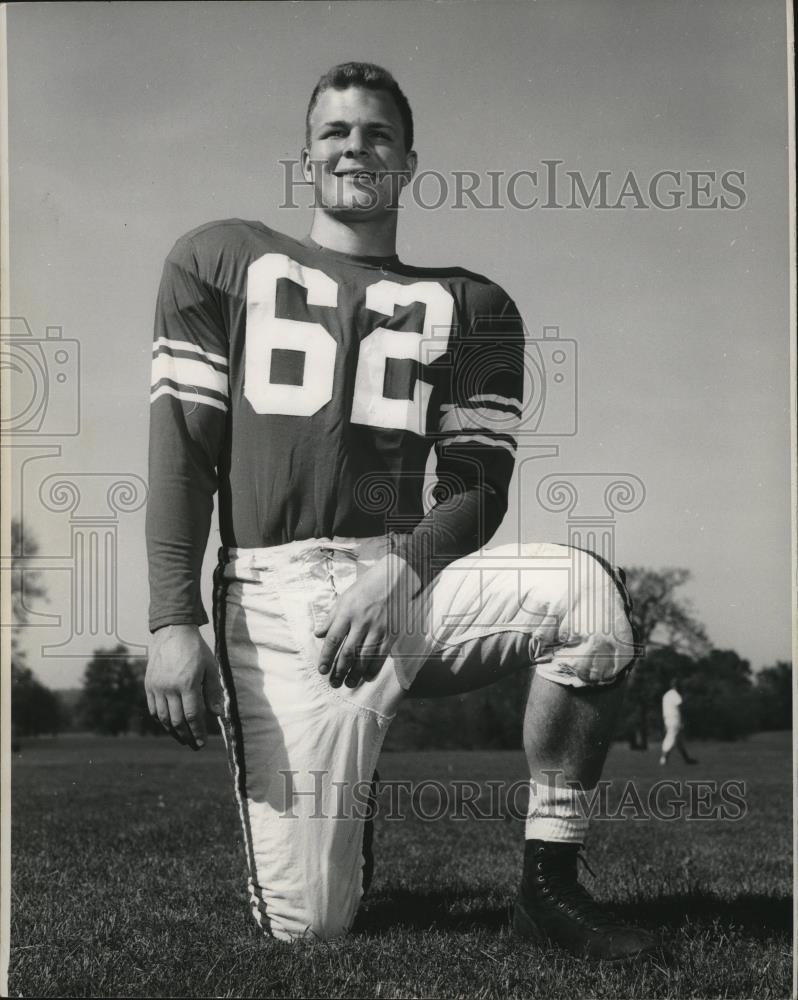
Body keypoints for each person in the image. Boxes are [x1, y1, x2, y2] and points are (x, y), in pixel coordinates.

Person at [144, 61, 655, 962]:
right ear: (304, 159)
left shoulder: (475, 305)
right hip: (274, 597)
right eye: (336, 132)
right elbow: (184, 451)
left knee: (592, 605)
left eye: (377, 133)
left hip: (404, 576)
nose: (356, 147)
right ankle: (345, 800)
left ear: (410, 160)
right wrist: (171, 621)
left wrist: (404, 569)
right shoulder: (217, 259)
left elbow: (478, 489)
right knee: (310, 929)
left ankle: (549, 883)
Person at [659, 678, 698, 765]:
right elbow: (680, 707)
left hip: (667, 719)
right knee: (671, 739)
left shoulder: (666, 695)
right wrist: (683, 720)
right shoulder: (675, 695)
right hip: (675, 720)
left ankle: (687, 759)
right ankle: (663, 758)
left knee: (679, 741)